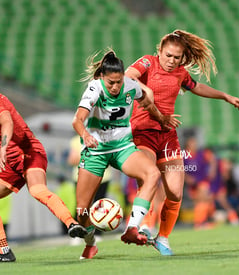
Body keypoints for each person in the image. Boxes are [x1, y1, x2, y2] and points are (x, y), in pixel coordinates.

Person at [125, 29, 239, 255]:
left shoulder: (180, 73)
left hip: (168, 136)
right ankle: (141, 225)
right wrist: (146, 89)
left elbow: (197, 87)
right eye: (168, 55)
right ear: (159, 50)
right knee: (148, 175)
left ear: (182, 58)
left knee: (175, 193)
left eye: (176, 57)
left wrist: (225, 96)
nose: (171, 61)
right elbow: (128, 76)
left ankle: (163, 237)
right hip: (142, 133)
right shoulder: (148, 63)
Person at [0, 70, 87, 264]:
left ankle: (71, 223)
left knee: (38, 190)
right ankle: (3, 252)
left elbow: (6, 122)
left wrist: (4, 147)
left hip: (29, 152)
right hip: (12, 162)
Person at [72, 49, 179, 259]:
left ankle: (132, 228)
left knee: (152, 174)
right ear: (102, 77)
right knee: (82, 212)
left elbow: (148, 103)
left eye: (118, 82)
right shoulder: (94, 89)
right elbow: (77, 119)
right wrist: (85, 134)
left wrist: (161, 119)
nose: (115, 87)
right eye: (111, 82)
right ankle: (91, 242)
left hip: (122, 148)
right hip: (96, 151)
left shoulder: (130, 85)